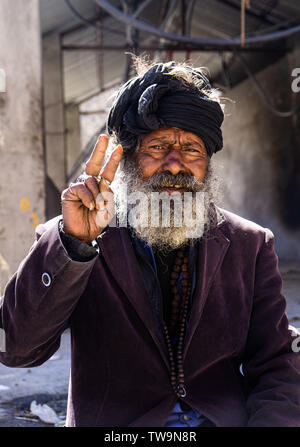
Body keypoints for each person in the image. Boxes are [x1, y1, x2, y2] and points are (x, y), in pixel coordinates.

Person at [0, 59, 300, 427]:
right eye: (157, 147)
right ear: (127, 159)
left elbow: (278, 365)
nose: (175, 165)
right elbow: (17, 349)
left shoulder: (249, 245)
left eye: (191, 149)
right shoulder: (78, 237)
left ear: (207, 162)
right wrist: (74, 244)